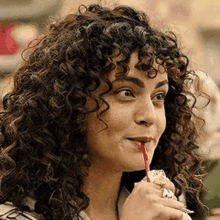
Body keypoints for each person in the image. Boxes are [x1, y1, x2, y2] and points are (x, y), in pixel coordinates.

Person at [0, 3, 205, 220]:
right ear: (71, 103)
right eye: (126, 92)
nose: (149, 116)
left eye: (158, 96)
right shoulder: (16, 215)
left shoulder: (163, 208)